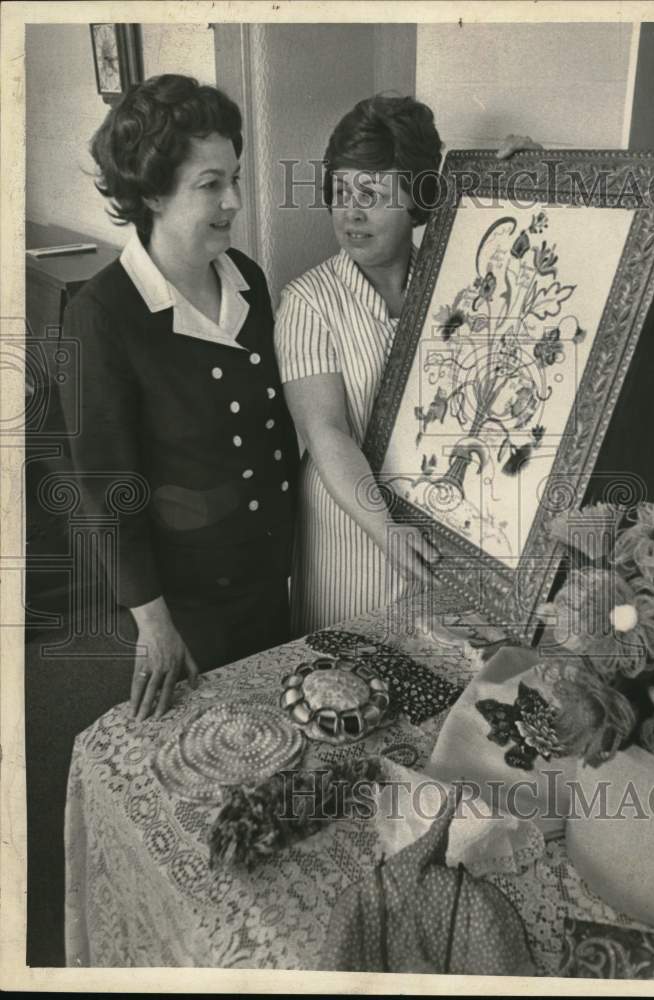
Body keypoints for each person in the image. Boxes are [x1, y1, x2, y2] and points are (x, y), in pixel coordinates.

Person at [59, 74, 299, 721]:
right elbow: (107, 487)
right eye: (211, 184)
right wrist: (154, 625)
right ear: (152, 191)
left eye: (235, 178)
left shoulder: (245, 277)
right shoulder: (102, 315)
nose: (234, 201)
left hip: (266, 579)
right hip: (186, 604)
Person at [274, 94, 537, 634]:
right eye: (340, 192)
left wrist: (536, 179)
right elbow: (325, 432)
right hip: (350, 531)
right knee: (343, 676)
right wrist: (383, 528)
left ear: (416, 200)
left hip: (440, 527)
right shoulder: (309, 301)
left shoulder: (454, 284)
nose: (350, 212)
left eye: (370, 193)